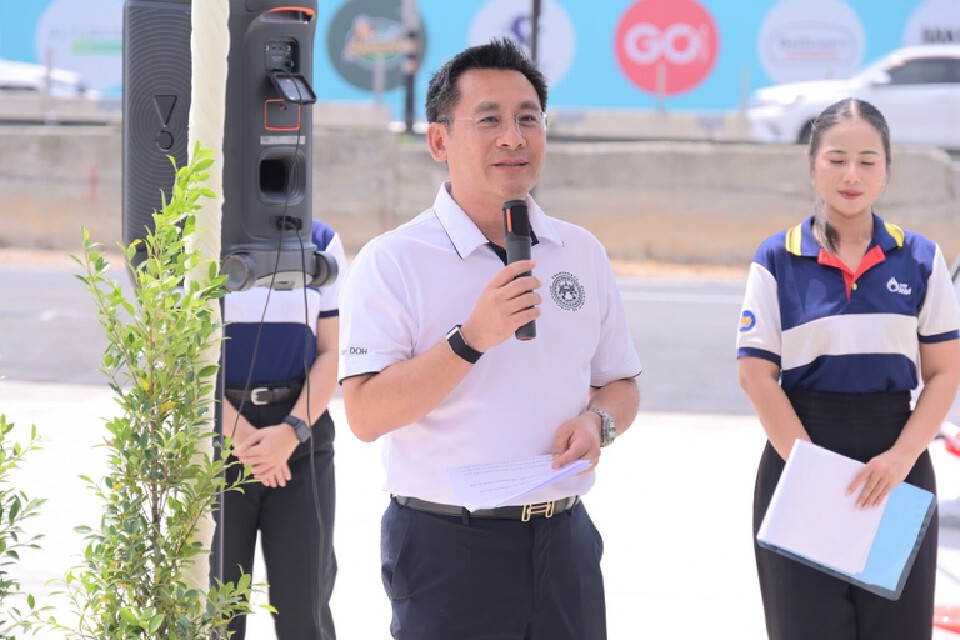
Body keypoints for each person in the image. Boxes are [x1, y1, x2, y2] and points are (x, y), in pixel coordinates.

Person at [337, 38, 641, 640]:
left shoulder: (580, 251)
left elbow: (621, 384)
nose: (513, 137)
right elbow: (366, 415)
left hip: (564, 542)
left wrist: (598, 423)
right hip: (449, 548)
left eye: (528, 118)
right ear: (439, 140)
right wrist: (471, 339)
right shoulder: (393, 260)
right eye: (489, 120)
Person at [736, 97, 960, 640]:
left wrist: (901, 459)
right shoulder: (777, 258)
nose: (851, 174)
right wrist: (812, 472)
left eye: (867, 160)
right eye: (836, 159)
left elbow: (945, 373)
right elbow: (756, 374)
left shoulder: (921, 260)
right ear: (812, 164)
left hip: (897, 469)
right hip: (799, 461)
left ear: (887, 168)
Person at [211, 219, 346, 640]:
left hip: (301, 439)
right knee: (215, 615)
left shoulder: (321, 241)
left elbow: (330, 352)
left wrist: (290, 433)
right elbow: (179, 359)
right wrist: (243, 439)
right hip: (216, 439)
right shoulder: (197, 234)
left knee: (305, 609)